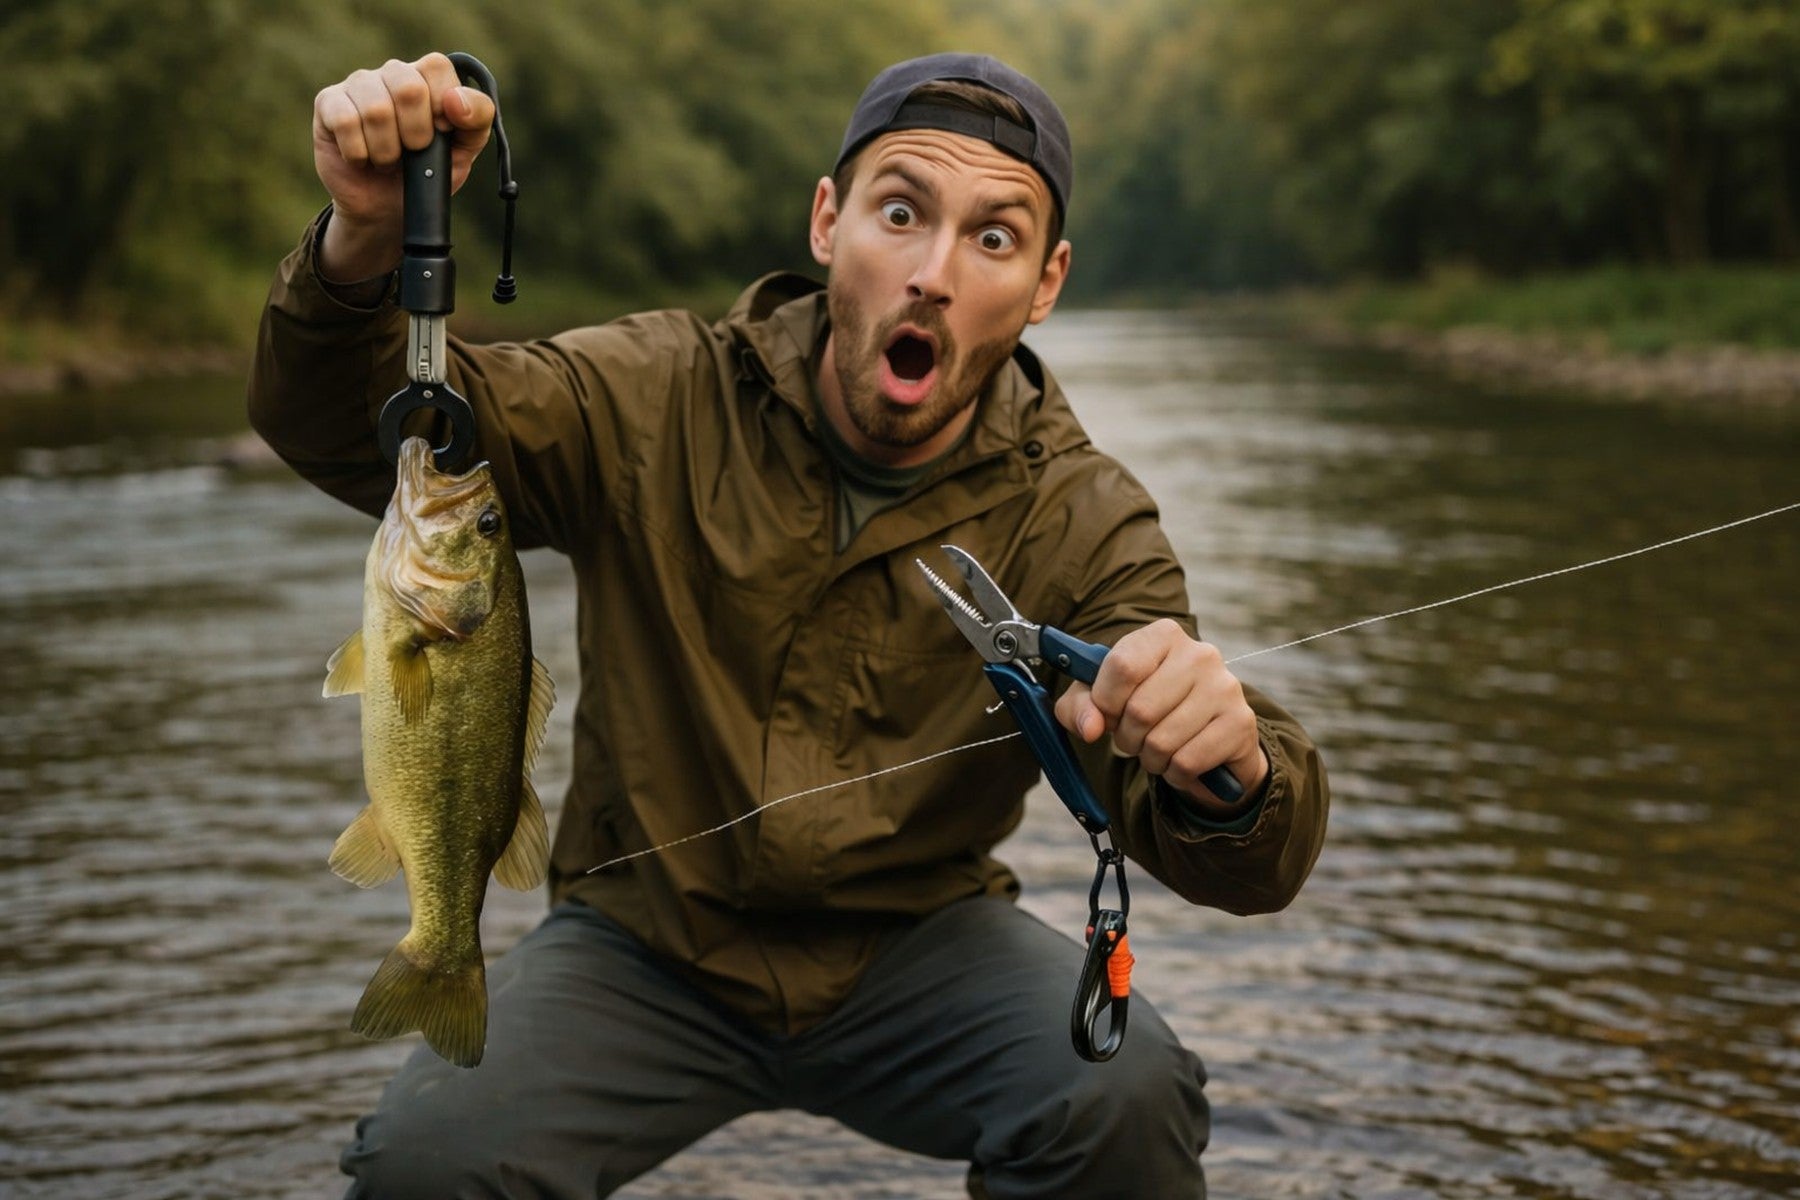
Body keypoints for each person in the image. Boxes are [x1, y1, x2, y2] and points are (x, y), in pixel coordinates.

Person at [249, 50, 1328, 1199]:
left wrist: (1234, 769)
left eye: (994, 239)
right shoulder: (654, 391)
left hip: (918, 948)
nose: (933, 273)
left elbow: (1249, 856)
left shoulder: (1084, 513)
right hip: (643, 948)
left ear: (1048, 283)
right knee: (428, 1164)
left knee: (1125, 1096)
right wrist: (361, 242)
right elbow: (360, 430)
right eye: (901, 212)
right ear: (828, 221)